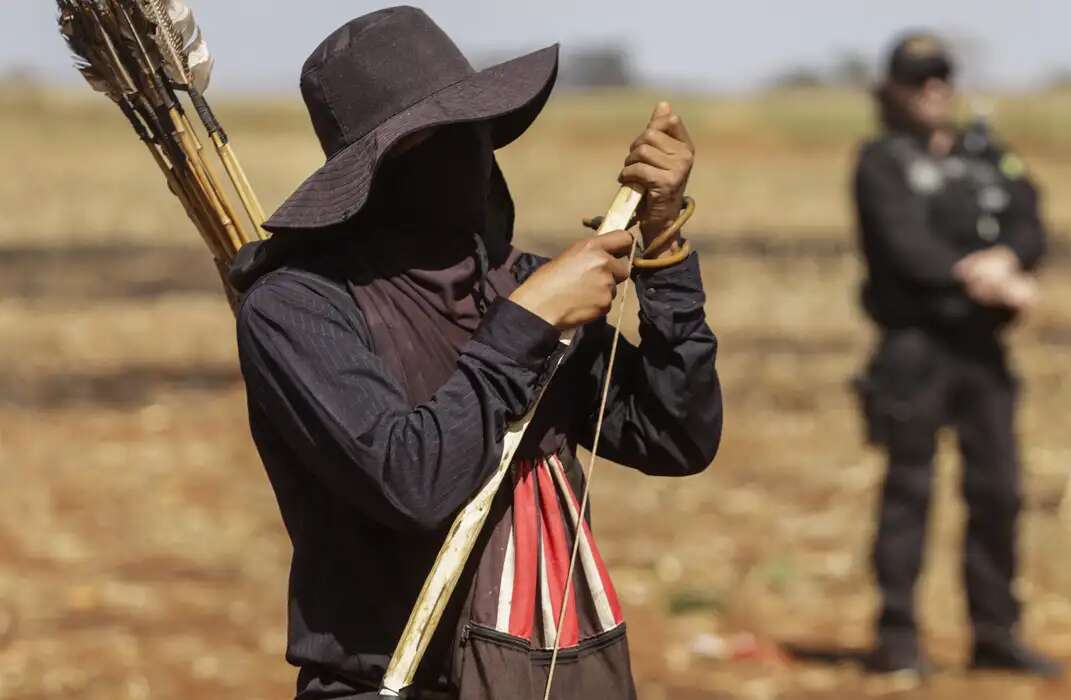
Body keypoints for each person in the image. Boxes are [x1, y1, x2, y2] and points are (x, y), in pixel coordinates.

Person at [230, 7, 721, 700]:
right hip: (388, 684)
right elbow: (413, 482)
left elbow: (676, 435)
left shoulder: (513, 281)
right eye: (434, 141)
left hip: (544, 672)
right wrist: (525, 327)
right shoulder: (297, 309)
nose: (466, 159)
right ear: (377, 171)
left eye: (474, 132)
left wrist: (664, 252)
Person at [852, 33, 1059, 677]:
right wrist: (987, 275)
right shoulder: (881, 160)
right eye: (918, 80)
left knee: (998, 490)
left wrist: (1010, 258)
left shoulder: (988, 155)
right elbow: (904, 246)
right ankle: (898, 637)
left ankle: (995, 631)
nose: (933, 90)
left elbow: (1030, 222)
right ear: (894, 90)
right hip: (915, 348)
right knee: (910, 491)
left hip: (982, 352)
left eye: (940, 77)